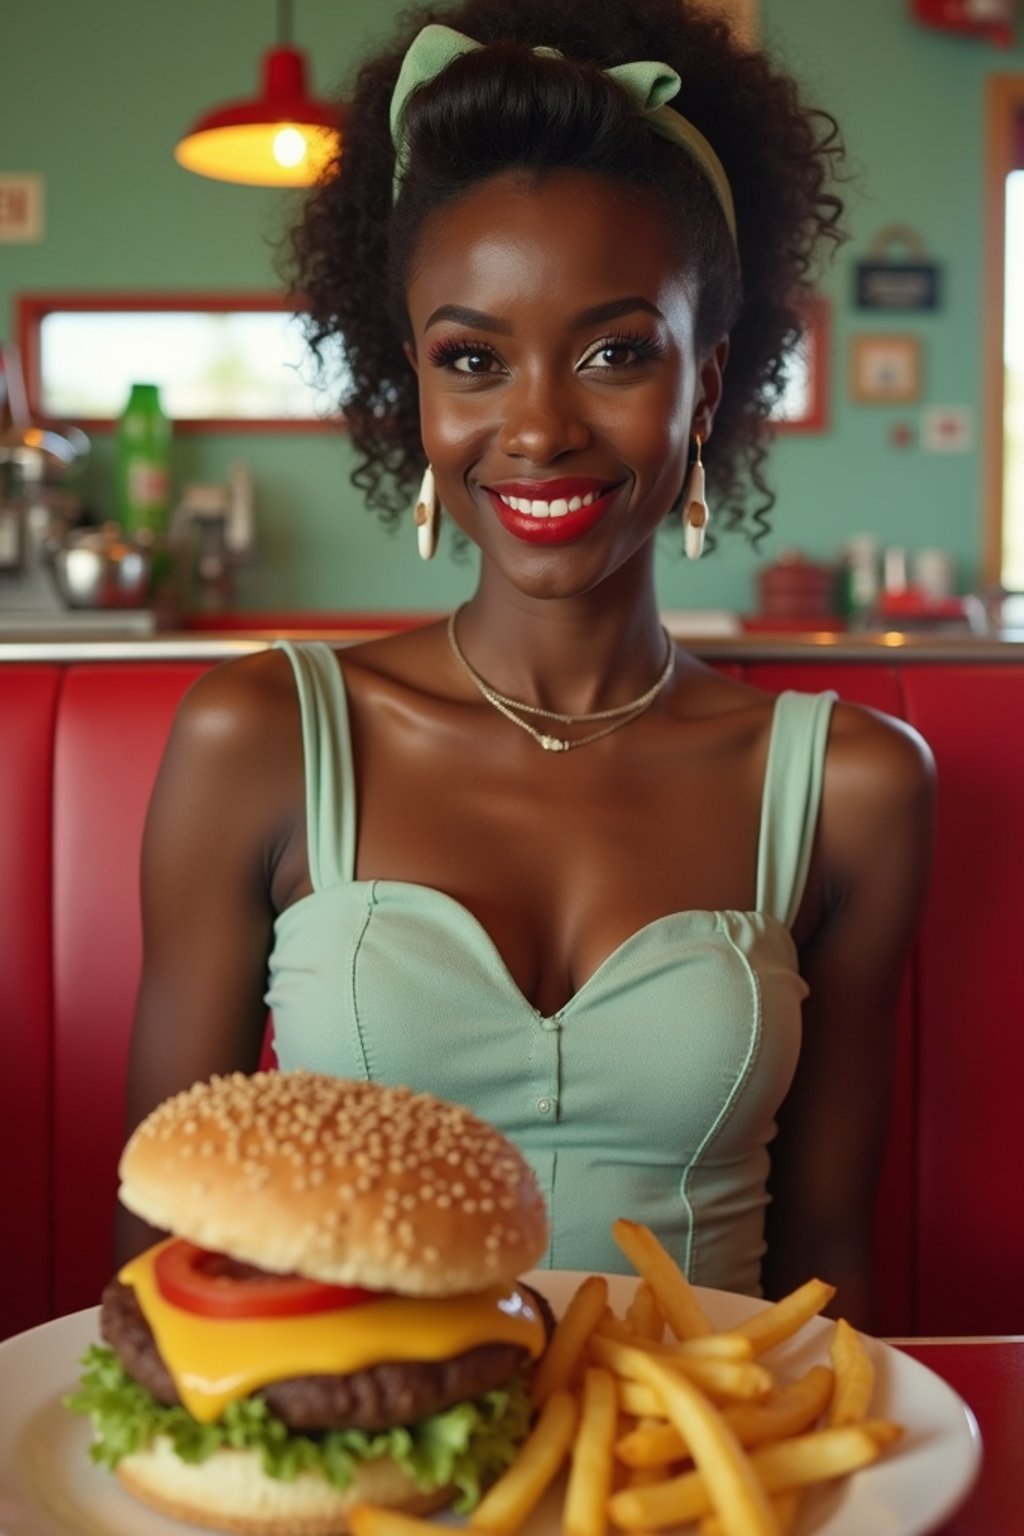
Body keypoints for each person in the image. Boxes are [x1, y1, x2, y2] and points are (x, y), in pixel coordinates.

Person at [118, 0, 934, 1328]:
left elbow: (830, 1253)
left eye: (617, 353)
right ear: (417, 392)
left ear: (709, 386)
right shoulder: (261, 735)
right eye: (473, 360)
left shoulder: (851, 786)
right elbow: (166, 1232)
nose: (540, 424)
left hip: (701, 1488)